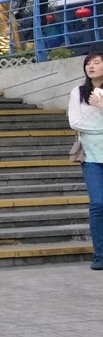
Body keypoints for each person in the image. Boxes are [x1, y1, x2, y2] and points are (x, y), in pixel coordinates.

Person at [69, 50, 103, 270]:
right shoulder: (79, 92)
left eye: (96, 62)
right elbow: (75, 122)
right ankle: (100, 254)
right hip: (91, 156)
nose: (91, 66)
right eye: (88, 63)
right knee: (98, 203)